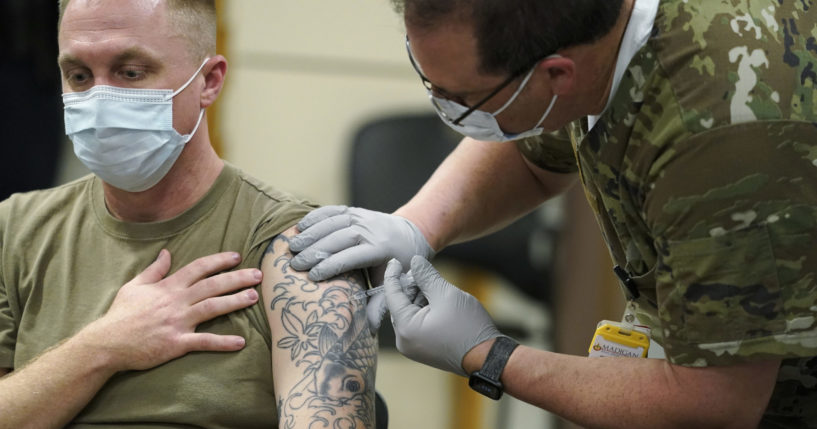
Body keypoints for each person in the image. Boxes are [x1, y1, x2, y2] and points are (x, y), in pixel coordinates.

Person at [290, 0, 817, 427]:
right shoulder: (590, 35)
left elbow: (715, 404)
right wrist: (415, 226)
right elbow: (533, 150)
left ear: (557, 74)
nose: (443, 109)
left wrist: (490, 357)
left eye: (461, 99)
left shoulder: (722, 134)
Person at [0, 0, 377, 428]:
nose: (100, 99)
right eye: (79, 76)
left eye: (130, 72)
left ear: (209, 80)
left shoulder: (299, 243)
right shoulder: (15, 229)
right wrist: (103, 347)